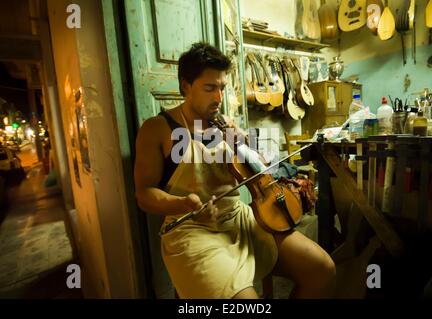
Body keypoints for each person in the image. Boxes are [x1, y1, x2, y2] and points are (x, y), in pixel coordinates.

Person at [134, 42, 336, 299]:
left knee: (322, 269)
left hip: (239, 219)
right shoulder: (157, 129)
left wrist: (246, 145)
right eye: (210, 88)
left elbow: (258, 168)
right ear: (186, 86)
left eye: (222, 88)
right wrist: (183, 203)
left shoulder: (224, 123)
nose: (219, 98)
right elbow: (144, 194)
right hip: (193, 231)